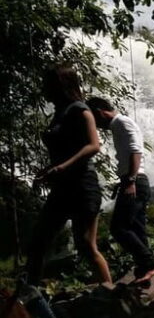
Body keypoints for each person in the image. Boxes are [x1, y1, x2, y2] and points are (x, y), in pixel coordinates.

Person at [26, 65, 112, 285]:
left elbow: (94, 145)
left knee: (86, 245)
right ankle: (32, 295)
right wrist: (48, 170)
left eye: (48, 85)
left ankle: (109, 293)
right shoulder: (59, 113)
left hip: (82, 185)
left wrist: (64, 166)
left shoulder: (79, 109)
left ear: (60, 86)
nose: (44, 89)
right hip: (62, 188)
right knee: (38, 240)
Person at [86, 97, 154, 284]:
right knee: (137, 228)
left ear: (100, 111)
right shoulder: (119, 125)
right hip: (135, 180)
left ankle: (151, 263)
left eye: (95, 120)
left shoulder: (121, 122)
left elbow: (136, 151)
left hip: (135, 181)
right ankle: (145, 269)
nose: (96, 126)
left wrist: (130, 181)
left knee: (119, 228)